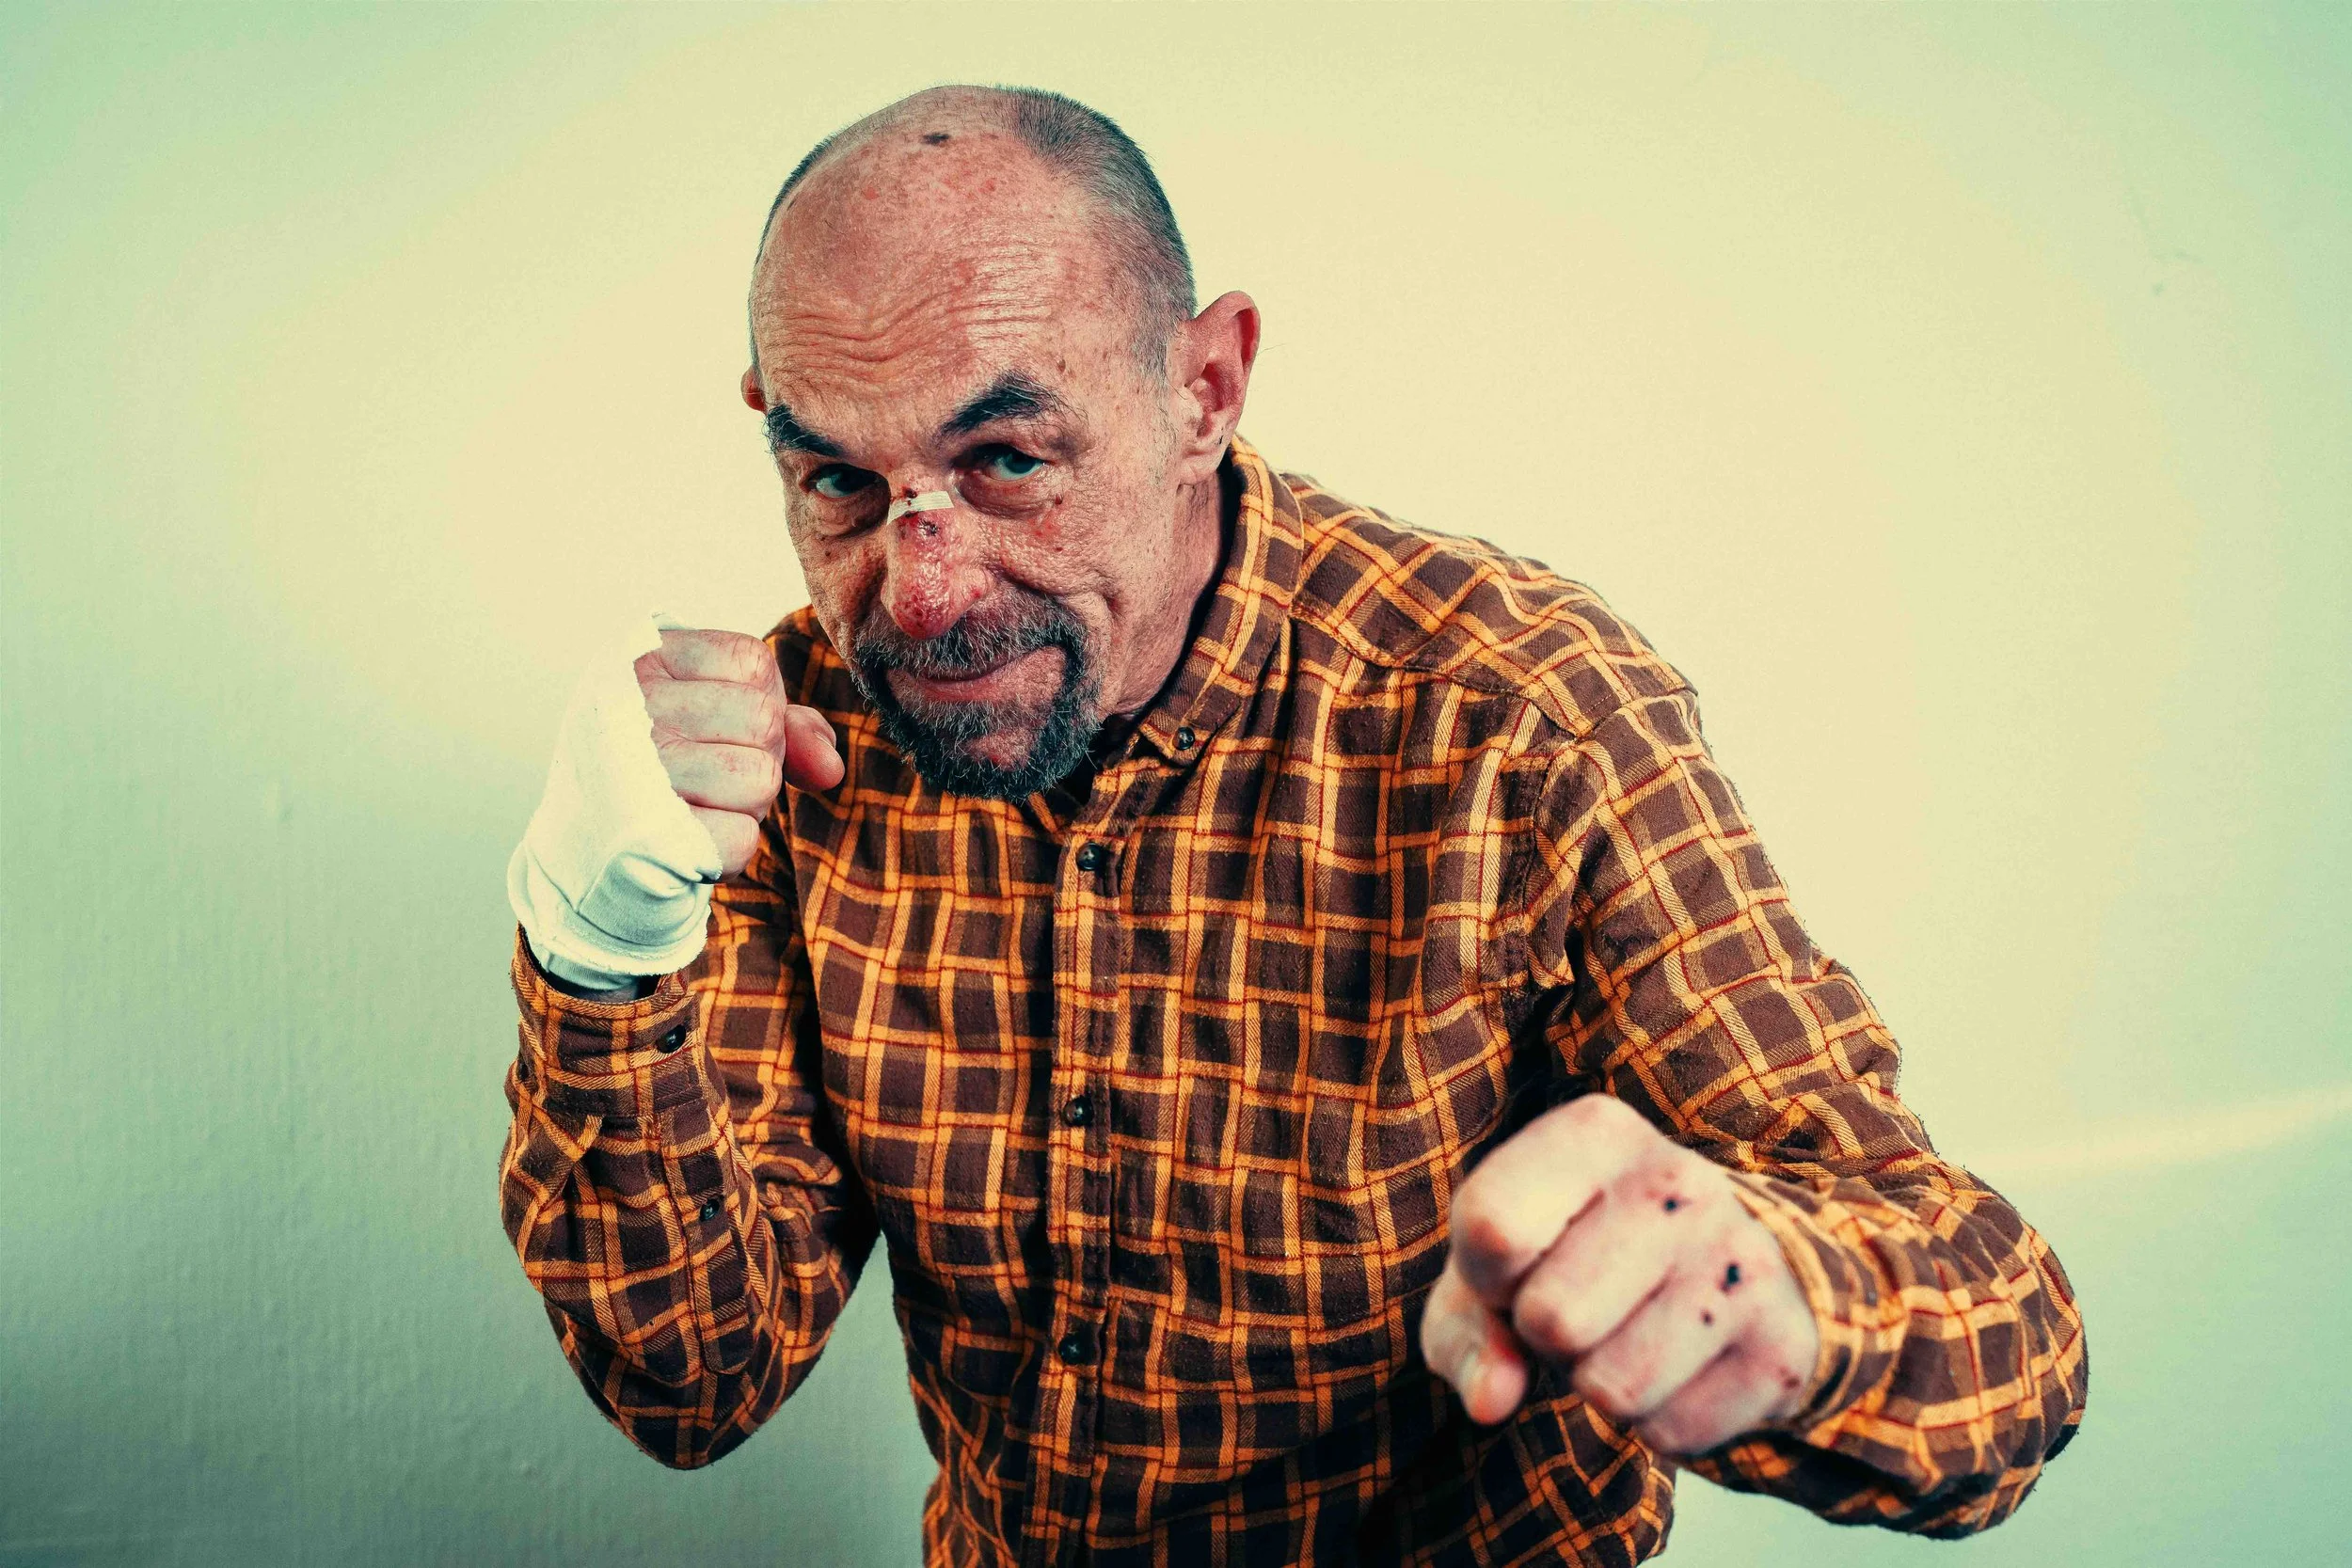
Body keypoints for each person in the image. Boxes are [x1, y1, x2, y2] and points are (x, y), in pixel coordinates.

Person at [497, 85, 2086, 1568]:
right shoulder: (790, 746)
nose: (923, 594)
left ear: (1205, 389)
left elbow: (2005, 1343)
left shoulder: (1514, 715)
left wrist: (1775, 1306)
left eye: (1008, 461)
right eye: (842, 480)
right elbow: (689, 1382)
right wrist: (599, 949)